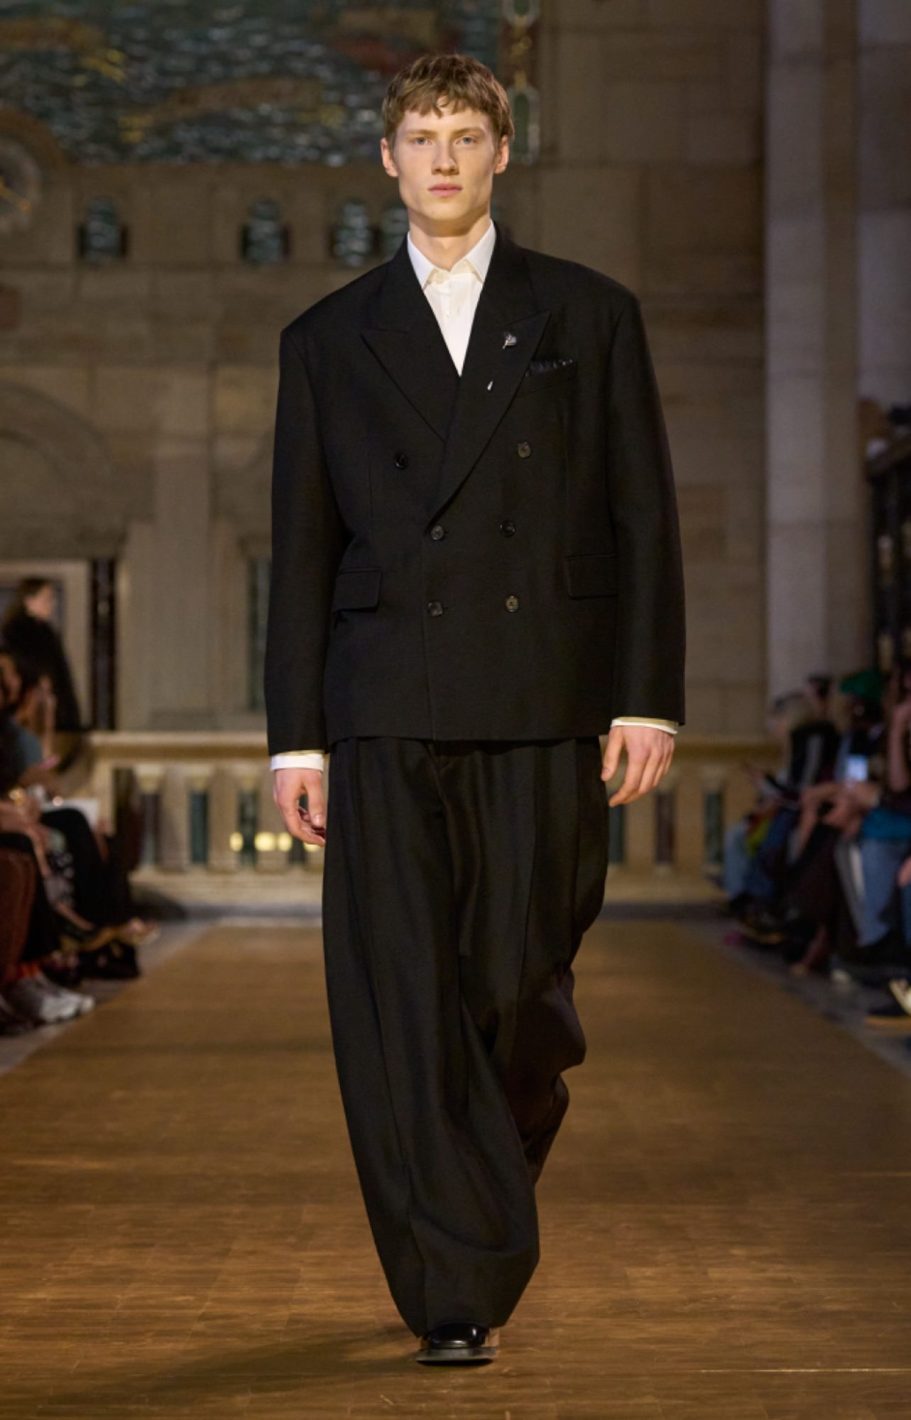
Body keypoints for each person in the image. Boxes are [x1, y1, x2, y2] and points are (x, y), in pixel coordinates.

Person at [264, 52, 686, 1367]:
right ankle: (453, 1279)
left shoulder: (588, 315)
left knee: (519, 987)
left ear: (503, 152)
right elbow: (302, 552)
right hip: (385, 699)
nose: (442, 158)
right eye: (421, 136)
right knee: (403, 993)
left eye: (465, 136)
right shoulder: (326, 339)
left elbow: (642, 520)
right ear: (388, 159)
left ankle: (479, 1185)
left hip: (544, 695)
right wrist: (294, 737)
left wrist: (648, 698)